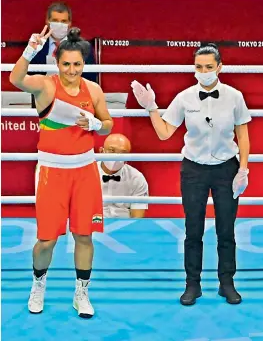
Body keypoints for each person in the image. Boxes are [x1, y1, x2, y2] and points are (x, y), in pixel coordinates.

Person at [131, 43, 251, 305]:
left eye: (209, 67)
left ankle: (226, 283)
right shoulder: (185, 97)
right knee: (192, 229)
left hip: (226, 169)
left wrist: (243, 168)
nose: (204, 71)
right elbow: (164, 133)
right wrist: (151, 107)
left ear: (219, 67)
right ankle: (192, 285)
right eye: (199, 67)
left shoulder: (234, 96)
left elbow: (243, 135)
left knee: (226, 230)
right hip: (194, 169)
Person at [9, 26, 113, 318]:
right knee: (47, 240)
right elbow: (14, 79)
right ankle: (38, 284)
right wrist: (30, 50)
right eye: (66, 64)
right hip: (52, 172)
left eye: (77, 64)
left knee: (84, 236)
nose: (71, 70)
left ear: (84, 64)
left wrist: (95, 125)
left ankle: (81, 292)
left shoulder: (94, 90)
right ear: (57, 63)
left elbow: (108, 124)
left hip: (84, 171)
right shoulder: (45, 85)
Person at [31, 1, 97, 83]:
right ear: (48, 22)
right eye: (55, 20)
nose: (59, 24)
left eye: (63, 21)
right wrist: (31, 51)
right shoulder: (36, 45)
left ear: (69, 23)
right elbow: (27, 78)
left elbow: (91, 79)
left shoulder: (83, 47)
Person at [98, 133, 149, 218]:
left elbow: (137, 218)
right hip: (92, 225)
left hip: (124, 227)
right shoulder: (85, 174)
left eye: (123, 153)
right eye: (112, 150)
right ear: (101, 151)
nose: (116, 156)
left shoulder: (137, 178)